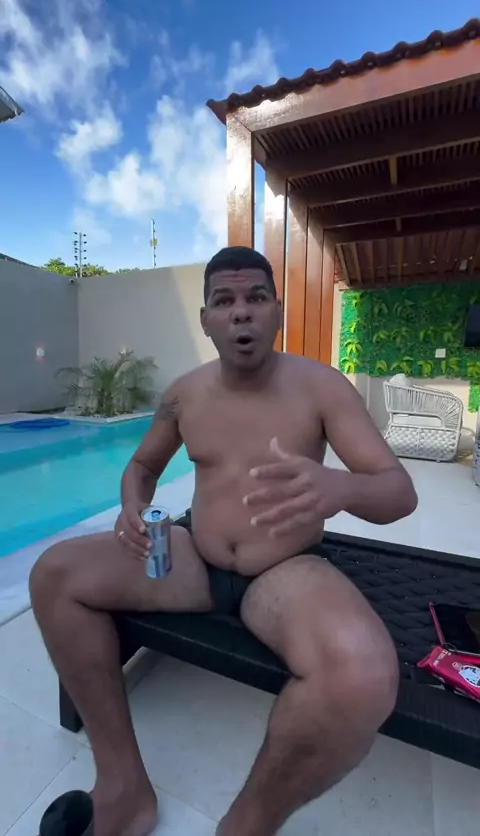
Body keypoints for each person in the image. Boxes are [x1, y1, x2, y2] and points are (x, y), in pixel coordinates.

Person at [30, 246, 418, 836]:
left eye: (257, 297)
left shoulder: (322, 388)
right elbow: (142, 466)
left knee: (361, 673)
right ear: (207, 318)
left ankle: (246, 825)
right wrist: (133, 505)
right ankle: (123, 788)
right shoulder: (183, 395)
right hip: (194, 557)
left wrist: (340, 487)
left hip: (286, 570)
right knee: (54, 574)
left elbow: (398, 491)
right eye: (225, 300)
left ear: (277, 312)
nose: (242, 312)